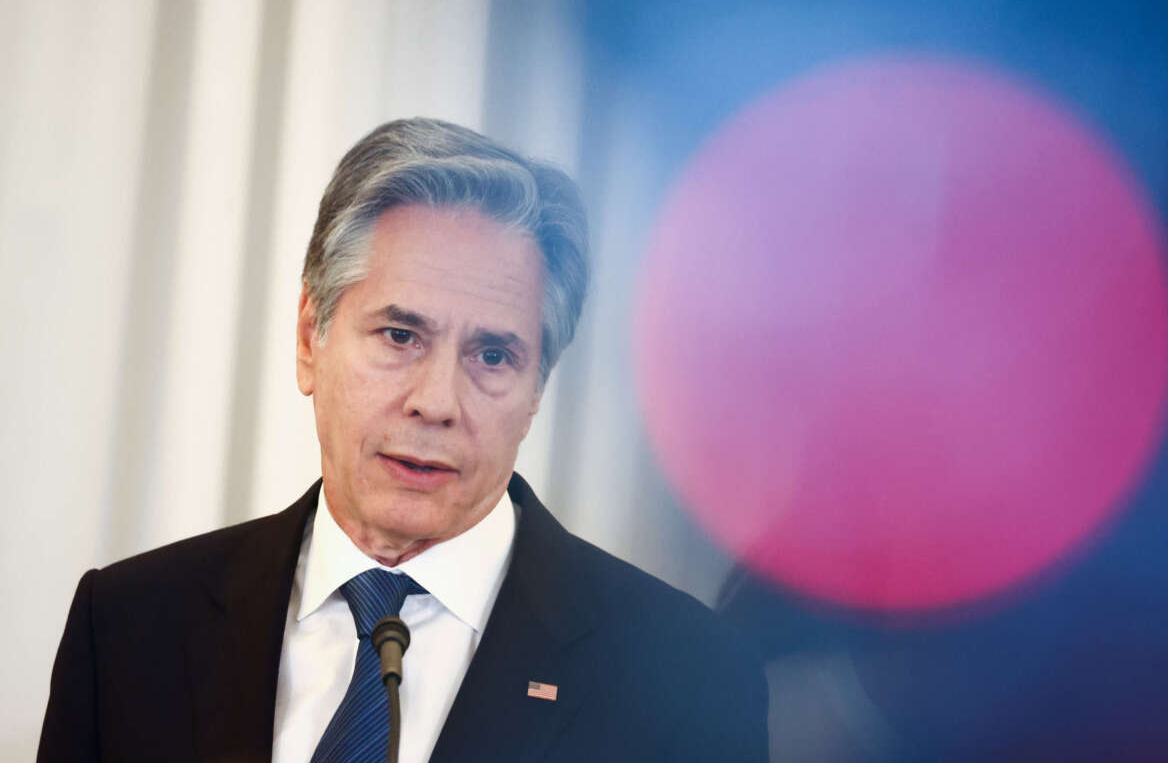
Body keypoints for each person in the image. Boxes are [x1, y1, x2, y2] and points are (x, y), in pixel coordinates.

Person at [37, 118, 767, 762]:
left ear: (537, 388)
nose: (436, 403)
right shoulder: (129, 626)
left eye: (491, 356)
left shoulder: (686, 678)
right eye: (399, 335)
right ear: (308, 338)